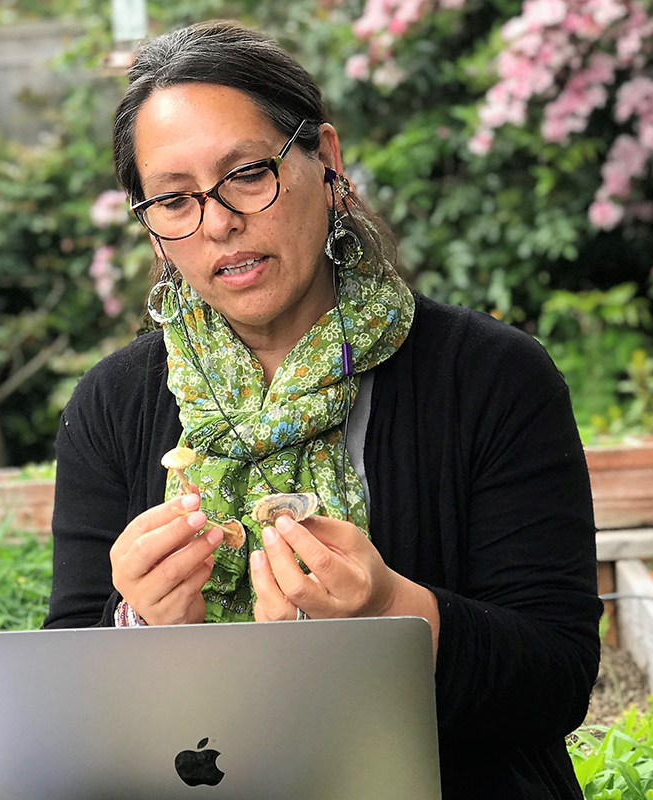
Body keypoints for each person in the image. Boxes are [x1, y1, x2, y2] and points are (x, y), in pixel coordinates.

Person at [44, 20, 602, 799]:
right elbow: (62, 693)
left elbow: (556, 679)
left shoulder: (493, 378)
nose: (217, 222)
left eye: (246, 174)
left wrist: (391, 611)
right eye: (173, 199)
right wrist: (135, 628)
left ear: (327, 161)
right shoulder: (114, 405)